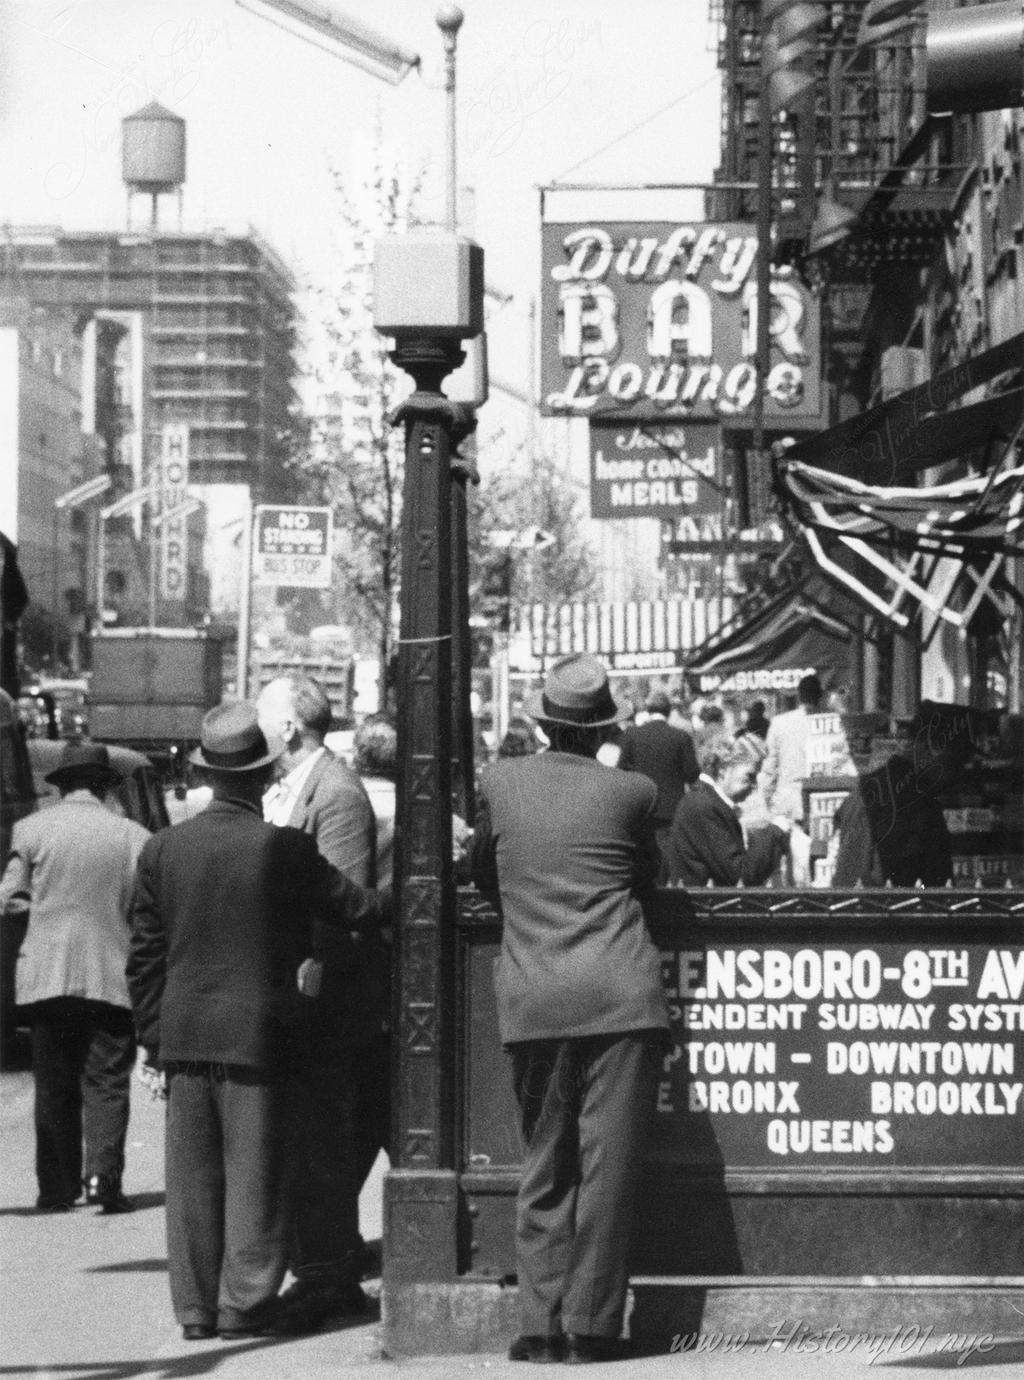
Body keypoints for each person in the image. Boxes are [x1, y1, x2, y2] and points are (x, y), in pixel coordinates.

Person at [126, 702, 386, 1343]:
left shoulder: (163, 850)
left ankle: (194, 1309)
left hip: (186, 1036)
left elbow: (145, 957)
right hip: (261, 1036)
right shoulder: (285, 849)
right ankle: (244, 1302)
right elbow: (359, 908)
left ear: (207, 776)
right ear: (264, 777)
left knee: (192, 1181)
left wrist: (154, 1040)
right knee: (256, 1174)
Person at [471, 653, 668, 1365]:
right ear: (602, 729)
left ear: (543, 724)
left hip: (536, 994)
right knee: (607, 1170)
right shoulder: (633, 793)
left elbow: (481, 874)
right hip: (622, 996)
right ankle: (591, 1326)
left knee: (545, 1162)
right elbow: (650, 875)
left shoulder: (501, 783)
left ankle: (538, 1323)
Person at [255, 674, 381, 1327]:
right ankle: (320, 1267)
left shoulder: (336, 793)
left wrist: (308, 990)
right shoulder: (288, 787)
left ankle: (329, 1276)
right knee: (309, 1144)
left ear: (287, 729)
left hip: (323, 1004)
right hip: (293, 996)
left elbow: (341, 904)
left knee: (323, 1141)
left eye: (261, 716)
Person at [0, 742, 150, 1213]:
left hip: (47, 975)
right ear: (106, 787)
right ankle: (102, 1178)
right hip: (111, 972)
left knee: (55, 1081)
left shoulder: (30, 830)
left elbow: (8, 899)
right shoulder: (134, 837)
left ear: (61, 786)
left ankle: (57, 1186)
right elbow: (146, 909)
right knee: (107, 1078)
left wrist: (43, 914)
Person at [830, 706, 960, 888]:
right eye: (953, 761)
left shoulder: (871, 789)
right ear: (928, 747)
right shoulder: (914, 797)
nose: (955, 771)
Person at [665, 731, 791, 887]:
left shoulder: (705, 800)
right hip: (702, 907)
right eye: (749, 776)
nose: (754, 786)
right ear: (723, 768)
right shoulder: (705, 806)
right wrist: (774, 832)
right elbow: (741, 876)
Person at [616, 689, 699, 861]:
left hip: (641, 807)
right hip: (672, 809)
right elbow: (692, 774)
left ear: (648, 710)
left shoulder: (632, 735)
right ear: (669, 712)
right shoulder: (681, 737)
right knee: (669, 859)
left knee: (642, 857)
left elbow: (620, 769)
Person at [757, 672, 825, 826]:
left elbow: (769, 767)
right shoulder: (829, 724)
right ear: (820, 697)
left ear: (799, 696)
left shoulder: (779, 723)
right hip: (820, 806)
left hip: (787, 804)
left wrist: (768, 800)